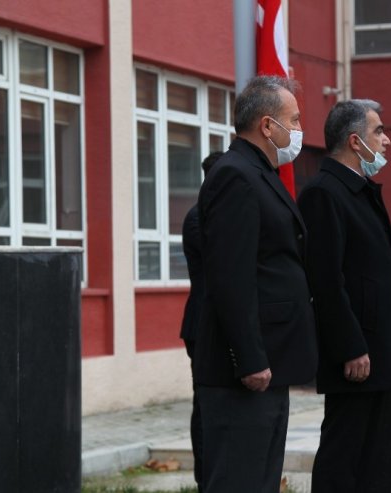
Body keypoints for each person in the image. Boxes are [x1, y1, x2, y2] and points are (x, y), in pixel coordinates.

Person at [193, 75, 318, 493]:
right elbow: (232, 275)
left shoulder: (259, 173)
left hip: (271, 361)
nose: (299, 130)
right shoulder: (235, 175)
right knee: (238, 481)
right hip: (246, 371)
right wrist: (248, 357)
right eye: (294, 120)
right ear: (268, 125)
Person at [298, 99, 391, 492]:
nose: (386, 141)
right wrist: (350, 346)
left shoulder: (360, 190)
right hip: (357, 356)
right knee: (344, 456)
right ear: (354, 141)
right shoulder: (324, 193)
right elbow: (327, 281)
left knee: (372, 460)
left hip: (379, 351)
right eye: (378, 131)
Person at [179, 150, 223, 492]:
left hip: (215, 321)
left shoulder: (213, 214)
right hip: (202, 324)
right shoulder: (199, 218)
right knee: (204, 404)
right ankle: (204, 478)